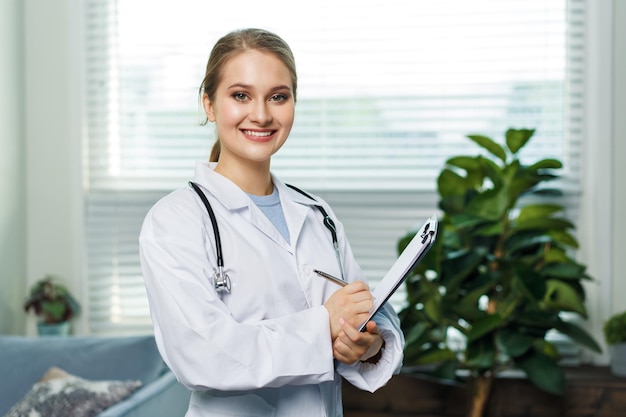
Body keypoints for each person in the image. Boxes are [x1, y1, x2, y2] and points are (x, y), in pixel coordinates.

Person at [139, 28, 404, 417]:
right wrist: (322, 326)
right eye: (240, 95)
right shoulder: (174, 221)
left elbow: (370, 315)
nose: (261, 114)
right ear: (209, 105)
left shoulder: (317, 215)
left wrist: (368, 345)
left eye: (278, 97)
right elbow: (202, 356)